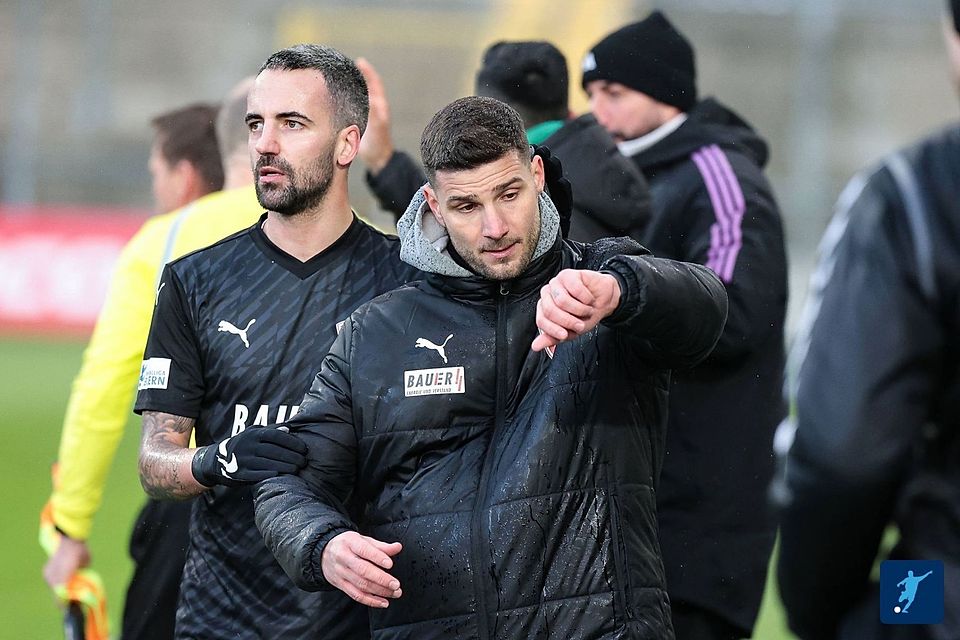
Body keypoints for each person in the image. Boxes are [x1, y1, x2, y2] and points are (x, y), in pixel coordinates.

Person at [254, 95, 728, 640]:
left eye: (509, 194)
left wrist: (622, 291)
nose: (496, 226)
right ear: (433, 205)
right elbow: (288, 478)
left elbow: (704, 308)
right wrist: (322, 544)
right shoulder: (376, 334)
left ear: (537, 174)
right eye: (466, 206)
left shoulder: (600, 284)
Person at [133, 44, 420, 639]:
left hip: (364, 616)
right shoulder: (194, 280)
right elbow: (154, 464)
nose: (266, 142)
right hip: (224, 618)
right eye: (256, 124)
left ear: (347, 144)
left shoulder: (406, 282)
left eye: (292, 124)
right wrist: (219, 460)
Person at [581, 11, 788, 639]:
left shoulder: (720, 180)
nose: (597, 111)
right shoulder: (619, 178)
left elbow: (732, 313)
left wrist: (626, 295)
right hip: (635, 501)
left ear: (665, 92)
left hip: (703, 509)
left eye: (613, 93)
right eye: (590, 95)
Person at [41, 94, 265, 639]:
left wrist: (70, 523)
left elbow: (103, 385)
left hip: (192, 494)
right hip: (318, 508)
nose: (154, 187)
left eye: (156, 172)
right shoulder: (340, 232)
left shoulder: (163, 241)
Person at [776, 3, 960, 638]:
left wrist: (823, 611)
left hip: (943, 591)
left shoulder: (917, 197)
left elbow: (844, 457)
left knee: (911, 599)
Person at [357, 41, 651, 242]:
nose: (495, 229)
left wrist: (385, 162)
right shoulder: (597, 165)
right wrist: (385, 163)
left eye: (508, 196)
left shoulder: (551, 220)